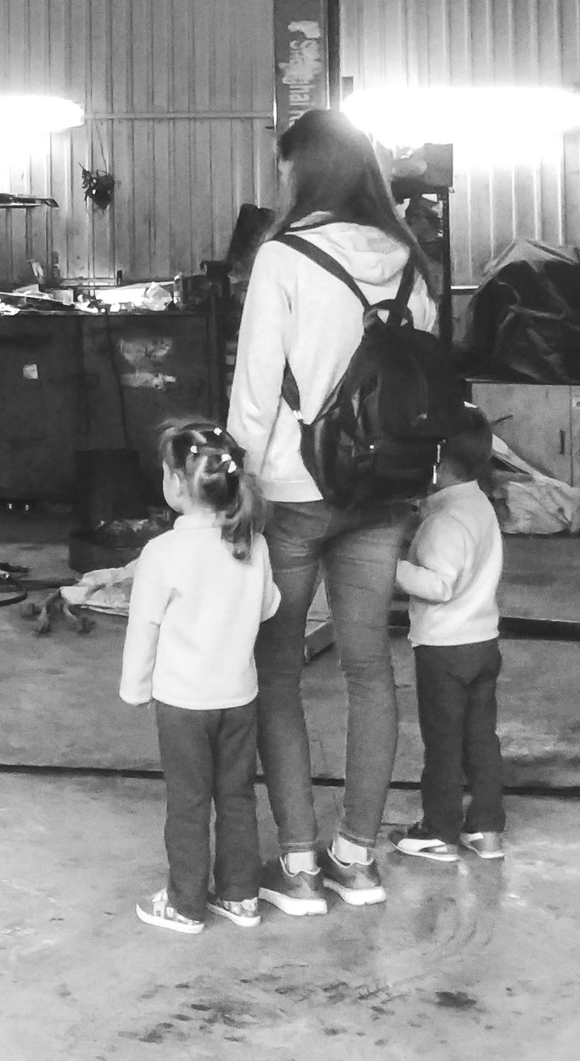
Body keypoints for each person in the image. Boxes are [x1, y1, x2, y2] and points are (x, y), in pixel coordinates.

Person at [227, 108, 439, 917]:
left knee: (277, 671)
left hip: (295, 491)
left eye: (285, 169)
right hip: (385, 491)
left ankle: (299, 866)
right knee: (369, 670)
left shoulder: (284, 257)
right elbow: (421, 385)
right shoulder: (410, 258)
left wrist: (235, 488)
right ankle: (357, 859)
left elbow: (255, 393)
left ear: (304, 171)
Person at [121, 418, 280, 935]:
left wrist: (135, 688)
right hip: (239, 697)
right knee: (237, 796)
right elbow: (269, 605)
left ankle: (186, 903)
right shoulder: (252, 544)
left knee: (189, 802)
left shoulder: (162, 553)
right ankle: (240, 895)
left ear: (175, 483)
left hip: (183, 704)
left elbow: (144, 627)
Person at [391, 409, 506, 863]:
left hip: (444, 649)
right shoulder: (480, 507)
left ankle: (439, 830)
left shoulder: (446, 520)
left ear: (437, 462)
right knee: (481, 739)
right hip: (483, 641)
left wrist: (392, 568)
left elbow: (439, 585)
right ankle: (486, 828)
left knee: (443, 742)